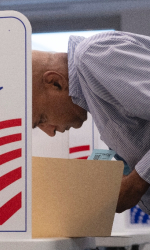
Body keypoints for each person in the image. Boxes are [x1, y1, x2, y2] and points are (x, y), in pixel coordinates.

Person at [32, 31, 150, 214]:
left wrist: (135, 184)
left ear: (55, 82)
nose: (49, 132)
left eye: (42, 119)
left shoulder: (93, 55)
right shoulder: (95, 96)